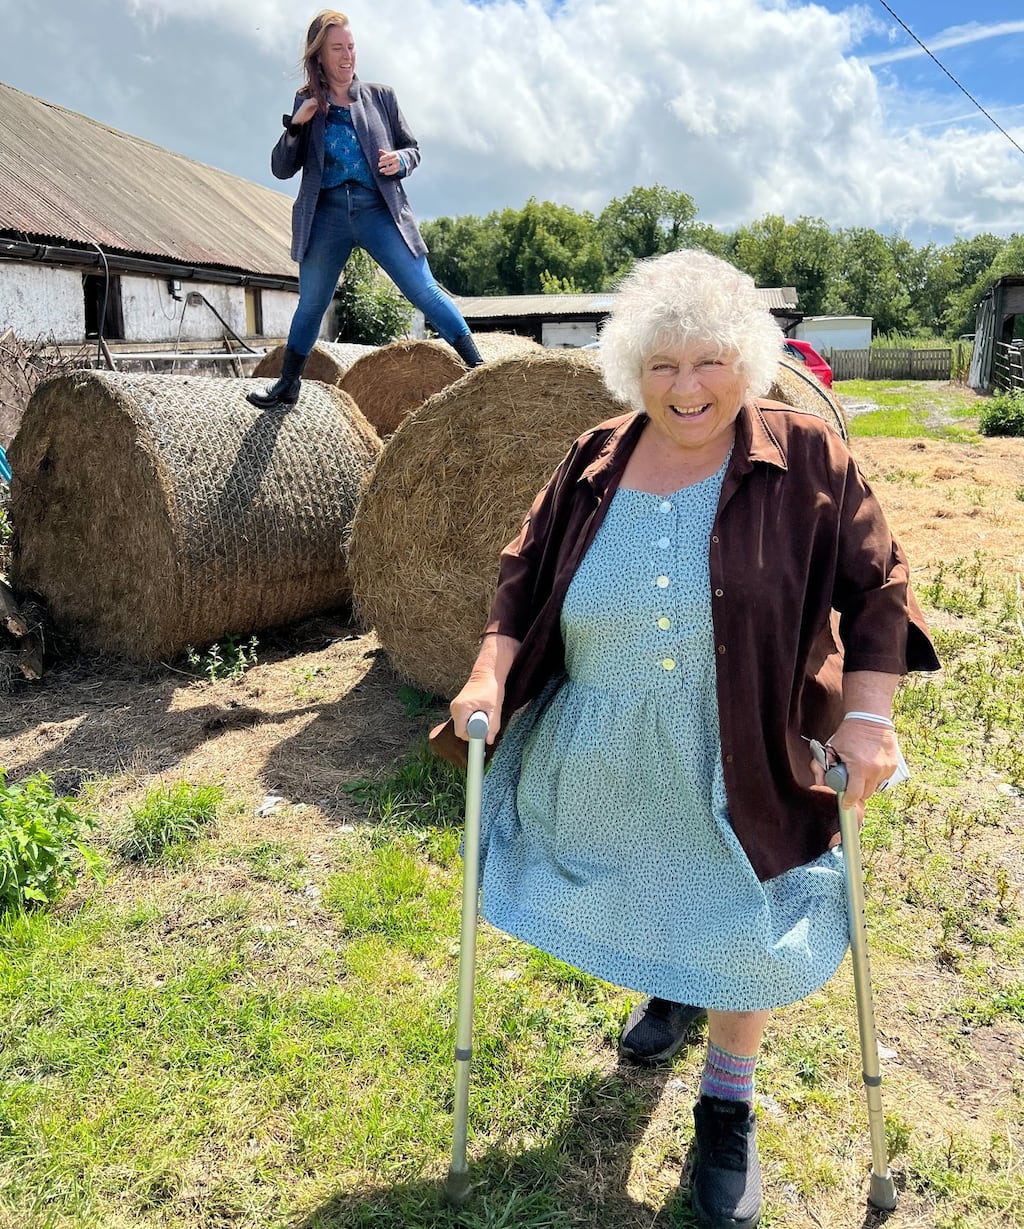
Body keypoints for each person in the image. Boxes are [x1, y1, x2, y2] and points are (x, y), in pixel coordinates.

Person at [436, 250, 939, 1229]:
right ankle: (673, 984)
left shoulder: (805, 457)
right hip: (608, 737)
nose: (687, 386)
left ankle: (726, 1102)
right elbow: (521, 575)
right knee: (647, 872)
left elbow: (878, 581)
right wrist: (489, 671)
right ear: (633, 369)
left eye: (709, 360)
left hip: (743, 736)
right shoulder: (592, 458)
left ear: (746, 358)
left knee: (743, 908)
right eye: (662, 364)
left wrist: (870, 714)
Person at [248, 10, 483, 411]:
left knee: (424, 290)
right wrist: (296, 126)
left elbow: (413, 149)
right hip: (326, 214)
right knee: (312, 303)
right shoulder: (307, 102)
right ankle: (287, 384)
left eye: (351, 47)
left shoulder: (381, 96)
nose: (347, 56)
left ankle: (480, 370)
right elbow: (281, 168)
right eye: (337, 48)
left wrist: (400, 160)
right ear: (319, 55)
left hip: (379, 209)